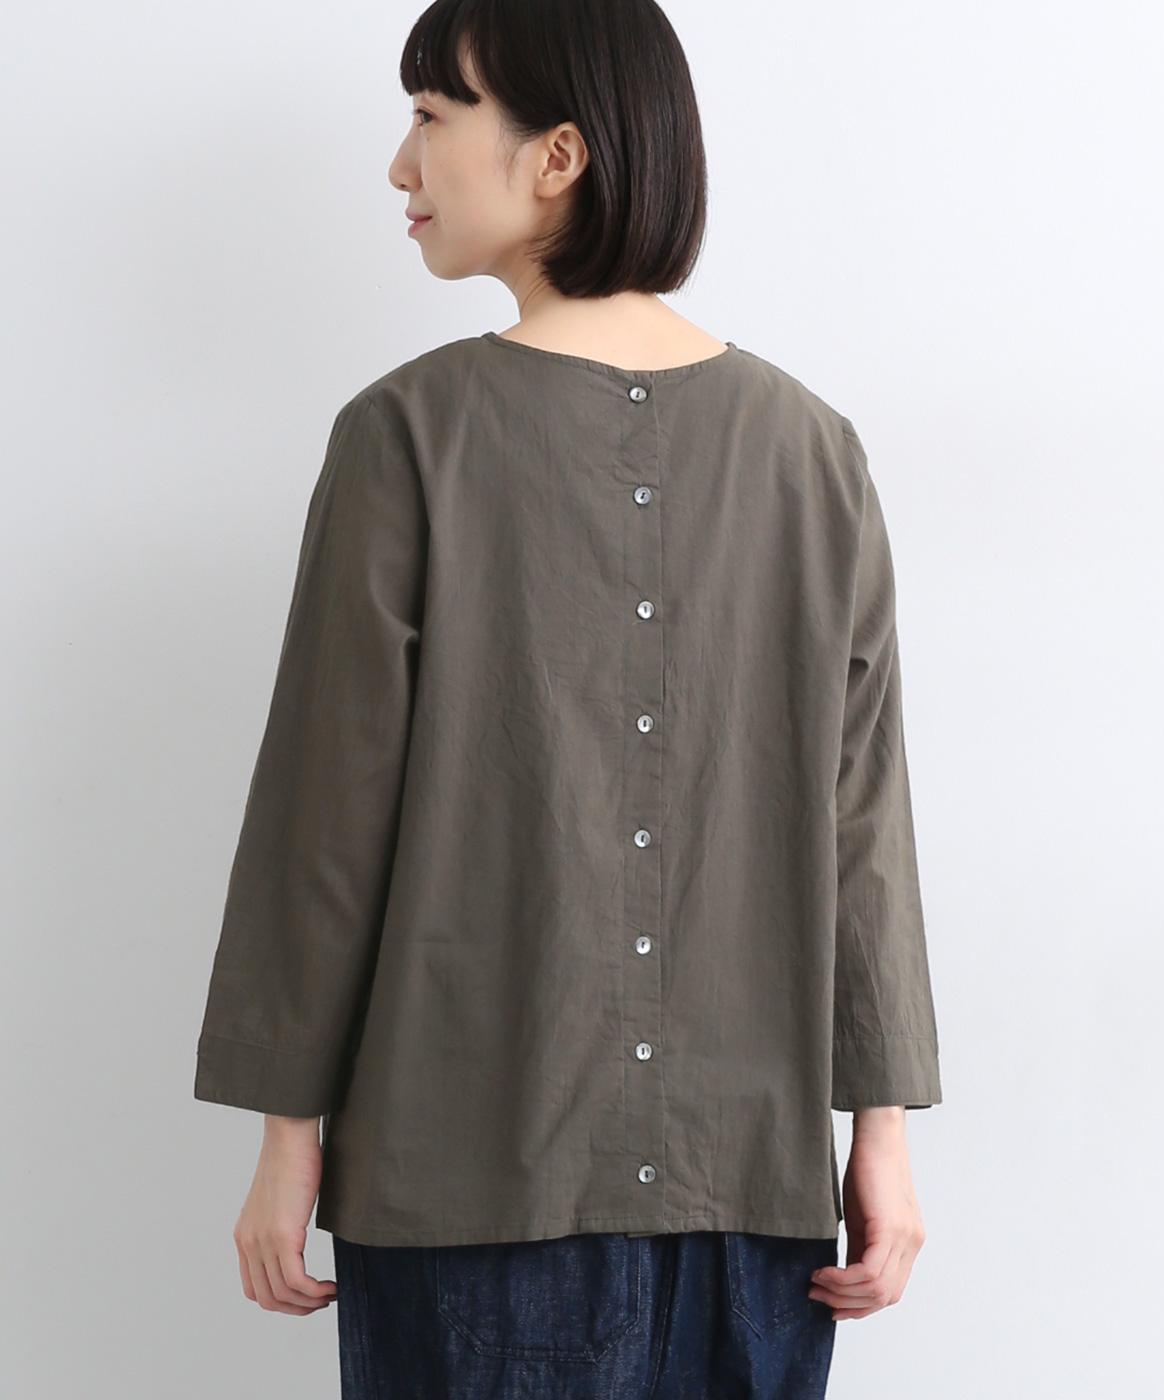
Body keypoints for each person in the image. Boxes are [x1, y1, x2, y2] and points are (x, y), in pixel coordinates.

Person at [193, 1, 942, 1396]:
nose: (402, 165)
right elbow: (865, 827)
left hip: (471, 1184)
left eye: (432, 116)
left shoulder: (407, 436)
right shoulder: (812, 451)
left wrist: (288, 1137)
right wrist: (878, 1137)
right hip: (752, 1196)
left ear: (557, 156)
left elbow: (325, 820)